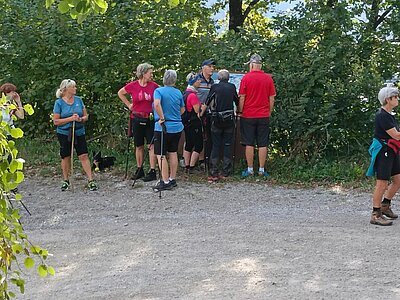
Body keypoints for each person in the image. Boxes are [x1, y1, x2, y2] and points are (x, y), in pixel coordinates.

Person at [53, 79, 98, 191]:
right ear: (66, 89)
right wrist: (70, 119)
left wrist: (80, 119)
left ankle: (91, 180)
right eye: (73, 87)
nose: (75, 89)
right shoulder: (59, 103)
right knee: (66, 156)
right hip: (64, 133)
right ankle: (66, 180)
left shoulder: (78, 100)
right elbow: (56, 121)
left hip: (79, 131)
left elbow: (86, 116)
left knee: (83, 155)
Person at [118, 63, 159, 182]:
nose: (151, 75)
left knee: (151, 145)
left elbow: (160, 96)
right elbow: (120, 93)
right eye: (150, 72)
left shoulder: (154, 86)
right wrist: (129, 105)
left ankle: (152, 171)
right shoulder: (133, 85)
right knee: (138, 145)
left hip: (150, 118)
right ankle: (139, 168)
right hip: (136, 117)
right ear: (143, 73)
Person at [238, 54, 276, 177]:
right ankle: (261, 169)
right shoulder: (268, 79)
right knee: (262, 143)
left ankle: (250, 169)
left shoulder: (246, 78)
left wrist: (240, 110)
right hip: (263, 115)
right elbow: (272, 98)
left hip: (248, 115)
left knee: (249, 143)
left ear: (252, 65)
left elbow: (242, 97)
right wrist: (269, 111)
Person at [367, 86, 400, 226]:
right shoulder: (382, 115)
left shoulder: (389, 115)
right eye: (395, 97)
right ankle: (376, 214)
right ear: (388, 99)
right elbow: (396, 135)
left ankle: (385, 205)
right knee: (382, 182)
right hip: (384, 151)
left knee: (398, 180)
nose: (398, 99)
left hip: (392, 150)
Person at [203, 70, 239, 182]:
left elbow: (207, 101)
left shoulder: (215, 87)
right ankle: (226, 171)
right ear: (228, 78)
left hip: (216, 120)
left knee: (216, 145)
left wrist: (201, 113)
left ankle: (213, 171)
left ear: (218, 78)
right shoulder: (232, 87)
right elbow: (236, 101)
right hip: (229, 120)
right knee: (228, 145)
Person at [152, 70, 185, 191]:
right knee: (173, 152)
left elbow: (156, 104)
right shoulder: (178, 92)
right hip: (176, 126)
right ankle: (172, 178)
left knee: (160, 154)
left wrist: (162, 117)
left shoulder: (158, 91)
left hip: (163, 127)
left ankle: (165, 181)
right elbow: (182, 109)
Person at [182, 72, 203, 174]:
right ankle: (192, 166)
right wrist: (202, 107)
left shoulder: (185, 94)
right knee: (199, 145)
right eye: (198, 80)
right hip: (194, 122)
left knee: (189, 143)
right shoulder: (193, 96)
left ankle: (186, 165)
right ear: (193, 82)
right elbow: (197, 111)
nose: (200, 81)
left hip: (186, 122)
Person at [197, 58, 216, 170]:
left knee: (207, 137)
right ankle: (196, 161)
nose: (212, 69)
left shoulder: (213, 82)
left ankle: (205, 160)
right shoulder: (197, 79)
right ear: (203, 68)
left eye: (213, 67)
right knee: (197, 137)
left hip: (209, 113)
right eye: (210, 66)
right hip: (197, 112)